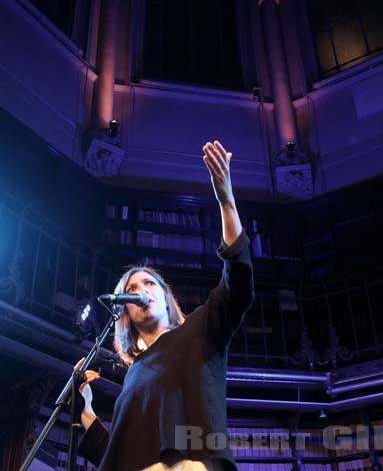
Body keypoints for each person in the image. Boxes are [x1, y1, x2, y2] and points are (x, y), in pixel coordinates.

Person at [76, 140, 254, 471]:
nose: (141, 290)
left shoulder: (197, 334)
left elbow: (238, 287)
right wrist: (85, 411)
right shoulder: (134, 375)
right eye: (131, 287)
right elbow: (119, 455)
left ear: (165, 296)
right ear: (125, 310)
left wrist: (227, 202)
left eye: (149, 283)